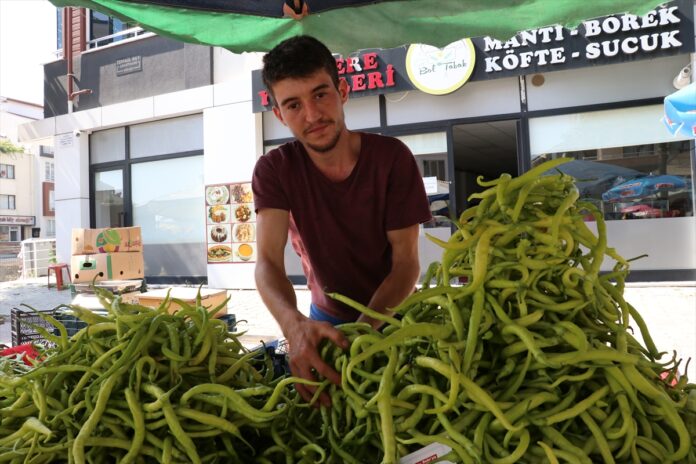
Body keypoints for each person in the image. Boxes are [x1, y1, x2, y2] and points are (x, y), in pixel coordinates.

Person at [251, 35, 432, 405]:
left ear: (343, 90)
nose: (313, 115)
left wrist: (363, 336)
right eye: (294, 105)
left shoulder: (392, 159)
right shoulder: (275, 169)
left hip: (398, 317)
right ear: (279, 114)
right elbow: (268, 262)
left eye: (321, 94)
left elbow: (405, 264)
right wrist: (293, 325)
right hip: (323, 321)